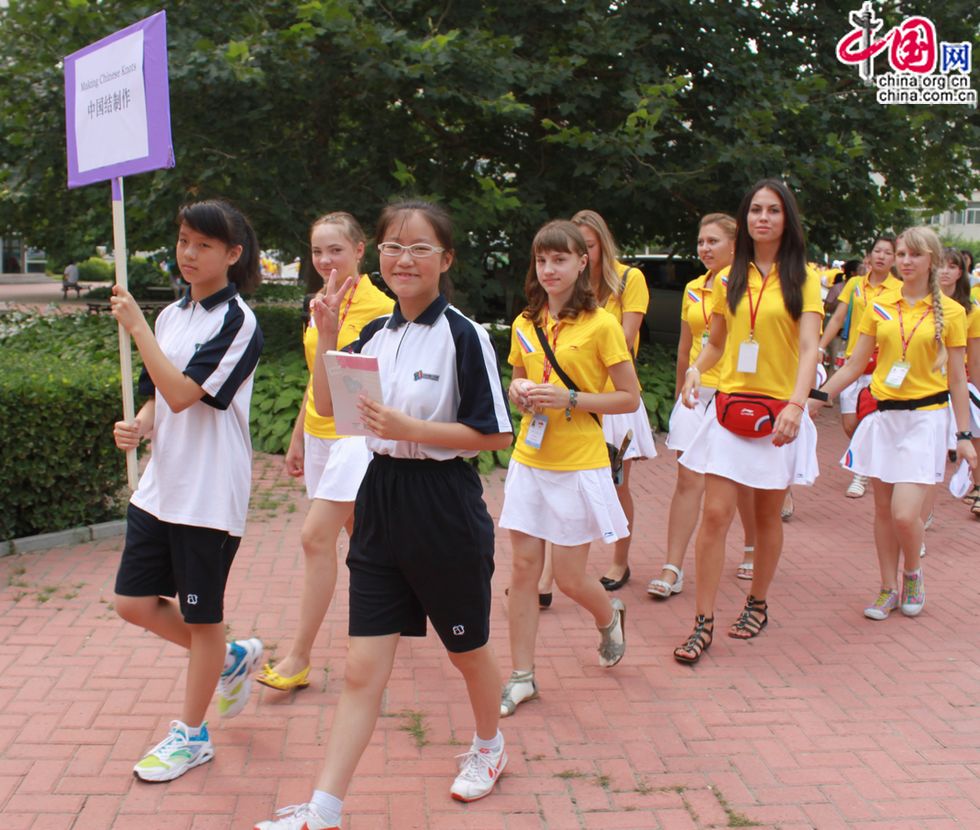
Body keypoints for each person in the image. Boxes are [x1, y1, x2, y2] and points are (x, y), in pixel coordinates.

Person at [256, 200, 513, 830]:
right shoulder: (373, 334)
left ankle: (489, 744)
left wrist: (411, 427)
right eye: (394, 245)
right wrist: (327, 337)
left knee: (468, 649)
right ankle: (324, 809)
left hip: (443, 505)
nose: (404, 257)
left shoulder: (464, 335)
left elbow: (494, 434)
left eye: (420, 247)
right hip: (379, 502)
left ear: (445, 260)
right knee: (362, 668)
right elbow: (328, 406)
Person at [109, 199, 265, 781]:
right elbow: (161, 399)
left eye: (203, 245)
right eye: (183, 241)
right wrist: (141, 424)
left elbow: (183, 392)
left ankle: (193, 735)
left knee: (203, 619)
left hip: (207, 494)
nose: (189, 254)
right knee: (131, 602)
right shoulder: (175, 315)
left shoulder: (239, 322)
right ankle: (228, 658)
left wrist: (137, 328)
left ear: (232, 254)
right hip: (160, 486)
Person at [674, 179, 822, 664]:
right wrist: (697, 370)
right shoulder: (728, 278)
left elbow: (807, 350)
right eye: (756, 209)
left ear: (787, 219)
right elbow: (715, 343)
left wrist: (796, 406)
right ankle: (703, 622)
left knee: (764, 516)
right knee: (715, 513)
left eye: (773, 210)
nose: (763, 218)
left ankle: (757, 603)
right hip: (730, 409)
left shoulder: (804, 277)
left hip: (778, 413)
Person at [497, 220, 640, 717]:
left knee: (571, 579)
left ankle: (608, 617)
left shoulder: (601, 325)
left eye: (560, 259)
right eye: (542, 260)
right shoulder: (524, 322)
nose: (550, 269)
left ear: (583, 263)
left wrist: (573, 396)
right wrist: (518, 392)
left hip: (579, 462)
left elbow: (629, 397)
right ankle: (521, 677)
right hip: (530, 458)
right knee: (522, 569)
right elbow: (519, 380)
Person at [255, 213, 393, 694]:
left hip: (354, 437)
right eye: (317, 251)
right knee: (362, 536)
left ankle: (298, 657)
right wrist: (298, 434)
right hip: (318, 433)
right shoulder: (318, 302)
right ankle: (394, 607)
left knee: (316, 538)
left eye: (335, 250)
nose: (325, 260)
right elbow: (318, 374)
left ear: (360, 250)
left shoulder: (381, 310)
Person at [815, 227, 976, 619]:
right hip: (884, 417)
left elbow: (957, 378)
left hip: (926, 420)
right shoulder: (880, 303)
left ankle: (913, 573)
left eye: (914, 255)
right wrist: (817, 397)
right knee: (883, 512)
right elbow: (856, 364)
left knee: (906, 514)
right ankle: (887, 587)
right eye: (901, 253)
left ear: (932, 262)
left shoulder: (953, 312)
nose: (904, 261)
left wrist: (965, 434)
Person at [650, 213, 757, 600]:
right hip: (697, 394)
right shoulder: (695, 287)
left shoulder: (749, 287)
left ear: (734, 244)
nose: (705, 248)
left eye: (713, 241)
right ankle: (673, 566)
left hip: (735, 395)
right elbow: (686, 345)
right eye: (701, 242)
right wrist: (682, 392)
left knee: (737, 480)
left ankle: (750, 545)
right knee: (688, 479)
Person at [569, 209, 656, 592]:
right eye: (576, 247)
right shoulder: (569, 285)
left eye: (588, 246)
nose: (583, 255)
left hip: (615, 399)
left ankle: (620, 561)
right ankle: (558, 571)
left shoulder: (628, 279)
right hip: (577, 397)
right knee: (572, 483)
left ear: (602, 245)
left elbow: (621, 340)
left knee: (617, 485)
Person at [817, 235, 901, 499]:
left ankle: (862, 472)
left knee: (873, 419)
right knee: (850, 422)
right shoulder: (854, 284)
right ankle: (869, 461)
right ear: (869, 254)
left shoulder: (899, 288)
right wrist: (821, 347)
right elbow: (838, 317)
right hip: (853, 361)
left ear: (895, 258)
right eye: (878, 251)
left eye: (888, 253)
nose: (882, 256)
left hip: (884, 366)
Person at [937, 248, 980, 514]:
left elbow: (974, 358)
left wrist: (976, 389)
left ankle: (977, 486)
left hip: (959, 381)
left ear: (960, 273)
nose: (945, 271)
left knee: (974, 435)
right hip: (928, 384)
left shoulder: (971, 310)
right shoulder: (922, 304)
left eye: (952, 266)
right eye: (941, 265)